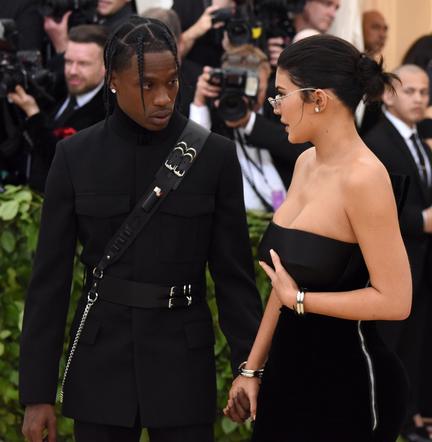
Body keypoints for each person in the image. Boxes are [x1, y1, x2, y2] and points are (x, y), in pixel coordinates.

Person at [19, 16, 262, 442]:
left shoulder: (214, 157)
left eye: (172, 82)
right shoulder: (74, 157)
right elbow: (49, 283)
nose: (164, 97)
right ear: (113, 80)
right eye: (147, 85)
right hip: (101, 360)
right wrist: (37, 395)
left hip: (183, 361)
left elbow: (234, 278)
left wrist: (250, 369)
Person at [224, 34, 412, 442]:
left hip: (350, 385)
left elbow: (396, 301)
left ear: (319, 100)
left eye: (280, 95)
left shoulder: (365, 178)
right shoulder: (306, 162)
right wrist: (251, 371)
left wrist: (302, 302)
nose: (274, 108)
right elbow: (282, 279)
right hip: (287, 377)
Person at [364, 64, 432, 442]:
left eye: (425, 92)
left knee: (416, 345)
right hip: (395, 259)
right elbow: (380, 205)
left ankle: (411, 414)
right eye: (411, 91)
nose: (420, 99)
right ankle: (391, 418)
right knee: (390, 347)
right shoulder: (378, 140)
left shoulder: (418, 140)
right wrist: (420, 220)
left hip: (421, 263)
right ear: (389, 93)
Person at [190, 44, 308, 210]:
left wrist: (249, 121)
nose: (247, 96)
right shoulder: (213, 111)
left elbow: (302, 151)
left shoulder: (277, 107)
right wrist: (199, 102)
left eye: (255, 88)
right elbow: (193, 159)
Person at [7, 25, 107, 193]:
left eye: (83, 64)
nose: (72, 71)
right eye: (68, 61)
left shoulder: (107, 111)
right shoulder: (55, 86)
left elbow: (67, 162)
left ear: (106, 67)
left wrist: (33, 114)